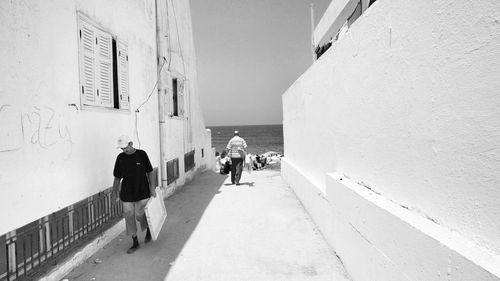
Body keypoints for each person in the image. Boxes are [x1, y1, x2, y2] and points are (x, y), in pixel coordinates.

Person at [112, 135, 157, 254]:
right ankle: (135, 242)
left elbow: (150, 172)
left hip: (143, 191)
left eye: (125, 147)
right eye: (122, 149)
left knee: (140, 215)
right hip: (127, 193)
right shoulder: (120, 158)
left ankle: (148, 229)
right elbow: (117, 178)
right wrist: (114, 192)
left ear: (131, 144)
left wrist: (152, 188)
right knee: (129, 216)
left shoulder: (142, 154)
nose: (124, 150)